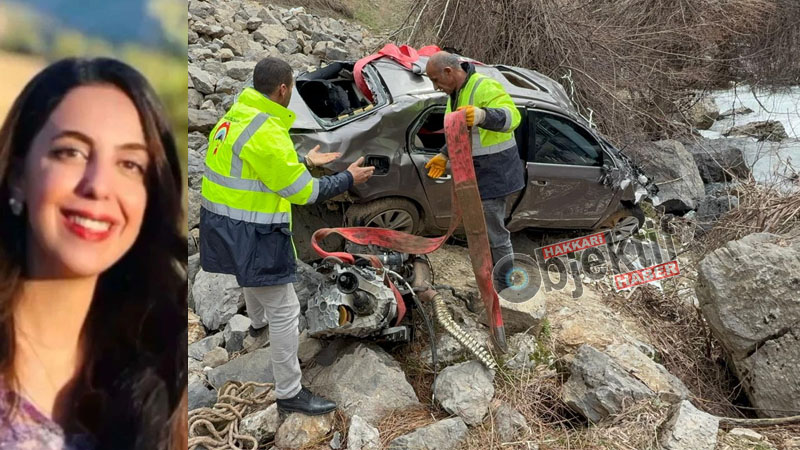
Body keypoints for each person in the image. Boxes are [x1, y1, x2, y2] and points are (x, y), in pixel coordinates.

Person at [0, 58, 187, 449]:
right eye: (71, 152)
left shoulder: (168, 375)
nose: (99, 185)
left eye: (130, 163)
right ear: (18, 174)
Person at [199, 57, 374, 416]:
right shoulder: (267, 133)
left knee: (253, 280)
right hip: (253, 232)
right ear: (283, 89)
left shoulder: (239, 114)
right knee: (287, 310)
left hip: (224, 224)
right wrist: (348, 179)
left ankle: (257, 325)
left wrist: (305, 161)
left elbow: (263, 169)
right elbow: (303, 193)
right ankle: (289, 392)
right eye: (292, 88)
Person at [424, 51, 525, 268]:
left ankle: (505, 282)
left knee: (496, 235)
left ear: (449, 72)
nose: (435, 87)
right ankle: (486, 274)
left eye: (436, 80)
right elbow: (459, 132)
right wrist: (444, 154)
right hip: (474, 174)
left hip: (495, 174)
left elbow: (513, 116)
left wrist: (483, 115)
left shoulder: (483, 86)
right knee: (480, 231)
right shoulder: (456, 93)